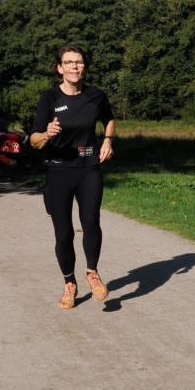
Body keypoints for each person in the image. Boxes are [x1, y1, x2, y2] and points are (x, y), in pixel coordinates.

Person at [29, 46, 116, 309]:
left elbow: (109, 119)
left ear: (84, 66)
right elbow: (33, 140)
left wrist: (108, 141)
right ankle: (69, 282)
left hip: (89, 166)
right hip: (58, 170)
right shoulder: (50, 98)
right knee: (64, 233)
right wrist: (47, 134)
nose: (74, 67)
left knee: (91, 221)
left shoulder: (96, 96)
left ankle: (92, 272)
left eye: (78, 62)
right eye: (68, 63)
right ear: (59, 68)